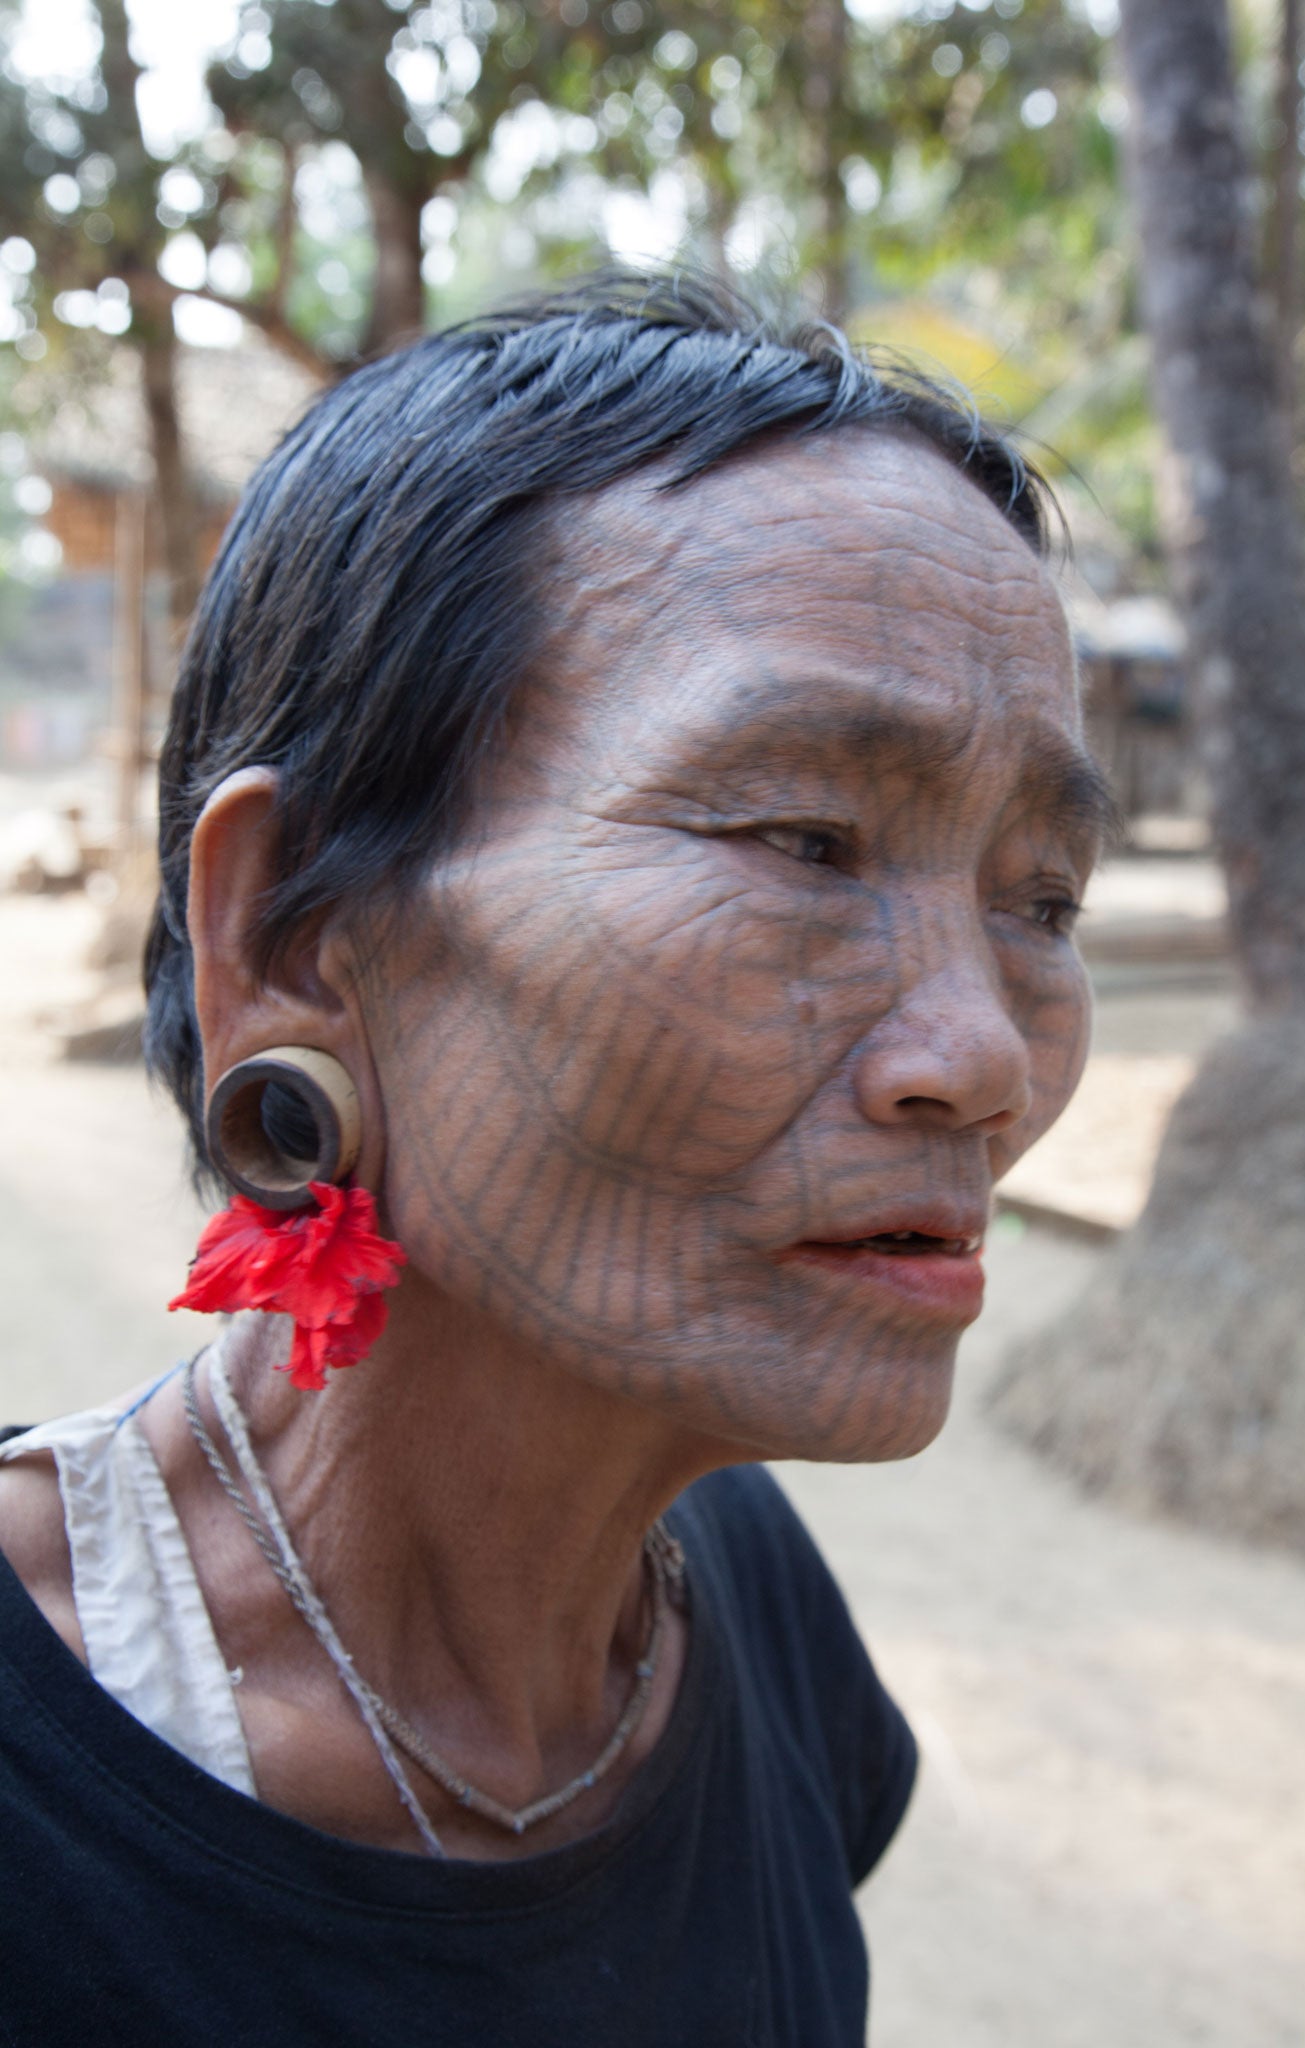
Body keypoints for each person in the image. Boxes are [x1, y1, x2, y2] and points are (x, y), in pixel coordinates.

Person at [0, 274, 1110, 2045]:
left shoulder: (734, 1592)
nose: (982, 1059)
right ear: (292, 938)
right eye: (806, 841)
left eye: (1042, 902)